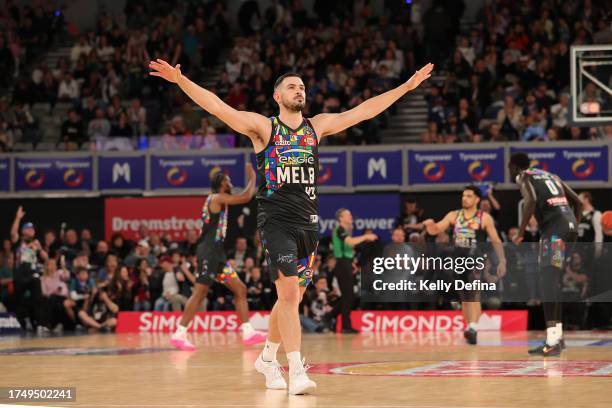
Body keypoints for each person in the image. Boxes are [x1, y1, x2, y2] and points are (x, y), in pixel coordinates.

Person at [150, 57, 433, 395]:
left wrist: (406, 87)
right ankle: (296, 368)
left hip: (307, 225)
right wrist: (182, 81)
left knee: (292, 299)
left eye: (302, 86)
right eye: (291, 87)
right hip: (275, 222)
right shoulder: (264, 128)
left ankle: (267, 357)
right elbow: (218, 106)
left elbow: (365, 111)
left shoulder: (317, 126)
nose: (299, 90)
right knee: (286, 292)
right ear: (277, 97)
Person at [170, 166, 267, 350]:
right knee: (200, 293)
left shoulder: (220, 200)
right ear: (221, 184)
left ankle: (248, 332)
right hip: (208, 253)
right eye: (228, 182)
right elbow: (246, 197)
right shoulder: (216, 197)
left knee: (240, 289)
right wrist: (253, 177)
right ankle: (179, 334)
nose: (231, 184)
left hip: (217, 255)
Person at [509, 152, 582, 356]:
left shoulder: (523, 176)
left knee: (548, 283)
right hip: (568, 232)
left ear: (514, 167)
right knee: (554, 281)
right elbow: (578, 202)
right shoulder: (551, 175)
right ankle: (558, 337)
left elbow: (530, 200)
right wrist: (573, 228)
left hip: (554, 234)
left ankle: (551, 340)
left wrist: (521, 232)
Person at [423, 186, 506, 345]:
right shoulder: (454, 215)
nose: (464, 198)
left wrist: (502, 260)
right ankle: (470, 327)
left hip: (476, 258)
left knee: (473, 293)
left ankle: (473, 328)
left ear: (477, 200)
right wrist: (430, 225)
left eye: (469, 196)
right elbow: (436, 229)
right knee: (464, 297)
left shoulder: (484, 218)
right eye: (463, 195)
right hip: (458, 259)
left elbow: (496, 240)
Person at [332, 208, 378, 333]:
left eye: (350, 214)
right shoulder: (340, 229)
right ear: (341, 218)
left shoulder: (346, 230)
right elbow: (350, 242)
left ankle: (334, 319)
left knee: (349, 295)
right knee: (348, 295)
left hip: (345, 263)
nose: (350, 216)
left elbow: (348, 247)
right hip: (341, 264)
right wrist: (366, 236)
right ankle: (343, 324)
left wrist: (351, 262)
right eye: (347, 215)